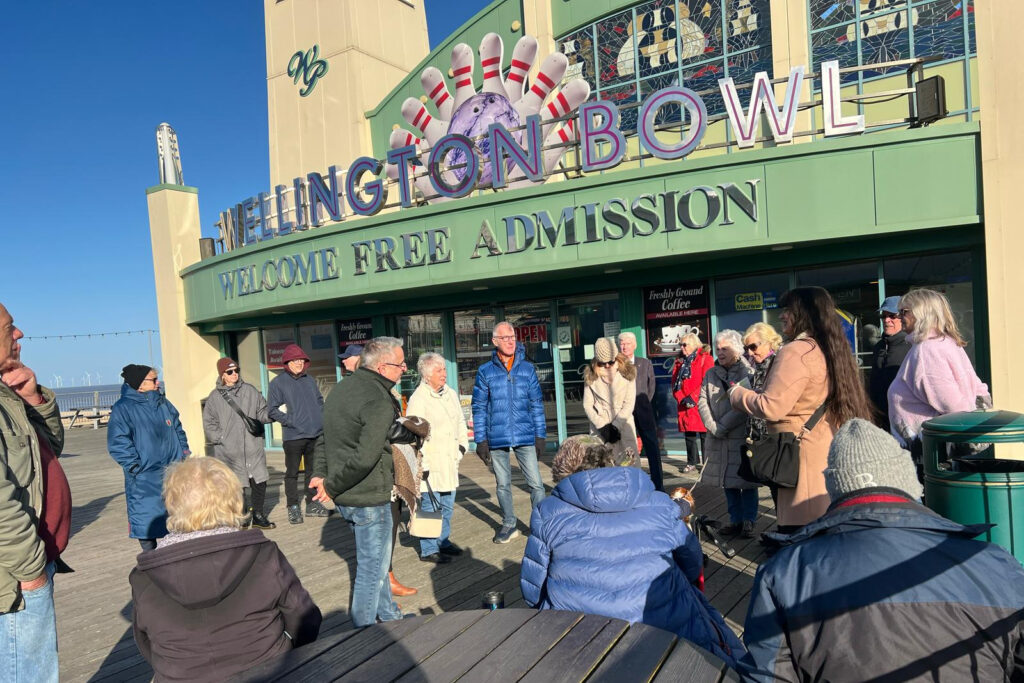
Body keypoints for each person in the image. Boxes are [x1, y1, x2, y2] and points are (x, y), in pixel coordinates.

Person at [740, 419, 1024, 682]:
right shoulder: (997, 563)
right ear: (909, 482)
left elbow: (768, 676)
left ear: (835, 489)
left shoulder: (782, 573)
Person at [521, 435, 744, 668]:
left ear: (563, 471)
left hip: (579, 640)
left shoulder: (547, 512)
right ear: (610, 462)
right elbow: (692, 562)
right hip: (665, 631)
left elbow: (532, 591)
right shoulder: (659, 503)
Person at [130, 457, 321, 682]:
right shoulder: (264, 555)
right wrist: (288, 652)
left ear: (172, 504)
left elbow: (145, 642)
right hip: (268, 673)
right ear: (233, 500)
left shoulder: (145, 576)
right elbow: (305, 618)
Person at [729, 287, 872, 532]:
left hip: (799, 461)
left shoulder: (796, 351)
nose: (782, 316)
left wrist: (736, 393)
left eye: (788, 310)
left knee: (802, 544)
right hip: (825, 456)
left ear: (803, 314)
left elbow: (771, 406)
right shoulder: (830, 349)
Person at [310, 337, 406, 627]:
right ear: (381, 366)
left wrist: (319, 474)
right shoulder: (377, 399)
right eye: (400, 364)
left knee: (375, 567)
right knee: (371, 571)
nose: (404, 369)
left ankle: (390, 618)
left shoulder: (341, 390)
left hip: (349, 499)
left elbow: (324, 439)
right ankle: (362, 638)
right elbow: (365, 458)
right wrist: (330, 485)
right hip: (368, 498)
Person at [0, 302, 72, 683]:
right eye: (10, 327)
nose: (20, 334)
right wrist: (31, 573)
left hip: (32, 563)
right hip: (15, 578)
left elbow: (50, 450)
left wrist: (32, 399)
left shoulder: (6, 392)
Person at [471, 321, 547, 544]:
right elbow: (479, 407)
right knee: (503, 484)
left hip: (525, 433)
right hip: (497, 435)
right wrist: (481, 440)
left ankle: (541, 524)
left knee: (536, 484)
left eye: (513, 337)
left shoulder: (527, 369)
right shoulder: (485, 371)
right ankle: (509, 523)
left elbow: (536, 404)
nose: (510, 341)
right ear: (495, 341)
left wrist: (540, 436)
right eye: (505, 338)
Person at [888, 288, 990, 452]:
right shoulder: (946, 342)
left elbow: (951, 402)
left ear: (921, 313)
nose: (899, 316)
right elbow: (976, 386)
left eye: (903, 311)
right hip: (937, 446)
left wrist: (968, 426)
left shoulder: (926, 350)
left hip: (928, 450)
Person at [108, 365, 190, 550]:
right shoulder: (123, 408)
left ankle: (175, 559)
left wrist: (184, 454)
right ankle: (149, 561)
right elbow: (117, 441)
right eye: (153, 380)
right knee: (147, 522)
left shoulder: (164, 404)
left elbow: (178, 430)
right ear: (139, 384)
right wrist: (135, 466)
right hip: (144, 476)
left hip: (173, 472)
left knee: (176, 521)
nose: (157, 382)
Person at [406, 352, 468, 563]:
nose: (444, 374)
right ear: (426, 375)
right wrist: (422, 463)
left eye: (444, 369)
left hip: (449, 459)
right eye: (439, 370)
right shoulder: (418, 399)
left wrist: (461, 447)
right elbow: (414, 434)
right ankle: (428, 549)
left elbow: (460, 420)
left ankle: (443, 541)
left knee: (447, 504)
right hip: (430, 461)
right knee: (430, 506)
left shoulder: (449, 393)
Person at [202, 357, 275, 529]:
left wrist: (272, 415)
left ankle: (258, 514)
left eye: (236, 371)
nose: (234, 374)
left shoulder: (250, 391)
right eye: (230, 372)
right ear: (222, 375)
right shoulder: (214, 398)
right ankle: (242, 515)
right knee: (236, 484)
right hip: (229, 450)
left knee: (259, 480)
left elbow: (262, 411)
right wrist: (221, 438)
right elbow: (209, 423)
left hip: (252, 445)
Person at [698, 330, 757, 539]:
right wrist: (712, 426)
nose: (720, 352)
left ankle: (749, 521)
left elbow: (745, 405)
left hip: (739, 436)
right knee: (727, 481)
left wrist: (721, 426)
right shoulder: (711, 373)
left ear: (737, 349)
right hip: (717, 437)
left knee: (746, 481)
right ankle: (735, 520)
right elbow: (702, 400)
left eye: (725, 348)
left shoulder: (747, 372)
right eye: (718, 348)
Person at [268, 343, 330, 524]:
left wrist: (322, 419)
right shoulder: (278, 383)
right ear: (287, 362)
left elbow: (320, 402)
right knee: (292, 473)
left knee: (313, 472)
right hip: (293, 437)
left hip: (315, 434)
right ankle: (293, 507)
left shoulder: (309, 380)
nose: (299, 363)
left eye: (301, 360)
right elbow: (271, 410)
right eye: (295, 361)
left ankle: (312, 503)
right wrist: (291, 422)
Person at [742, 322, 784, 510]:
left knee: (781, 487)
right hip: (761, 437)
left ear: (769, 343)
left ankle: (786, 530)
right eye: (746, 348)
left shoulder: (780, 364)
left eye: (753, 346)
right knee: (773, 485)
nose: (750, 352)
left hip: (777, 437)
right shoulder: (757, 367)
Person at [618, 331, 665, 490]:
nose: (624, 346)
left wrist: (643, 403)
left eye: (628, 343)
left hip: (644, 412)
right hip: (624, 415)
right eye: (622, 343)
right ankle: (630, 486)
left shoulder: (645, 363)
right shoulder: (615, 364)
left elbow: (651, 387)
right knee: (626, 451)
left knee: (652, 449)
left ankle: (658, 485)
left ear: (635, 345)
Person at [583, 337, 639, 464]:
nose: (607, 365)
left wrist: (615, 427)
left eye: (611, 362)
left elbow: (629, 403)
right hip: (600, 426)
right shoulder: (591, 374)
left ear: (616, 357)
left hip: (623, 425)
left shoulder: (627, 372)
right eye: (603, 363)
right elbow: (587, 405)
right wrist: (603, 427)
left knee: (630, 467)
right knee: (603, 469)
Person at [671, 332, 713, 473]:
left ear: (694, 345)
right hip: (684, 404)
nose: (682, 347)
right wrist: (681, 397)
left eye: (685, 345)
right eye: (680, 345)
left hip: (701, 403)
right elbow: (674, 383)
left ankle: (708, 464)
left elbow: (707, 381)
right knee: (689, 435)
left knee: (704, 435)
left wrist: (693, 397)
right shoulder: (679, 361)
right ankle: (691, 462)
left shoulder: (705, 359)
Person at [869, 296, 912, 431]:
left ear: (903, 317)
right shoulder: (878, 347)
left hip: (904, 421)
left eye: (892, 316)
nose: (887, 320)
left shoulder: (912, 346)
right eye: (884, 316)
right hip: (879, 420)